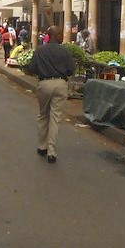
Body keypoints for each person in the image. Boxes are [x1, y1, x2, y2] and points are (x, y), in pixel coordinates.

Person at [24, 25, 76, 164]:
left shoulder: (40, 50)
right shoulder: (65, 51)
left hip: (44, 84)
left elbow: (32, 68)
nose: (62, 37)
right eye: (61, 35)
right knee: (55, 118)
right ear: (56, 35)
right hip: (60, 84)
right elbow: (71, 69)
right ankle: (52, 152)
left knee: (43, 115)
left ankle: (42, 146)